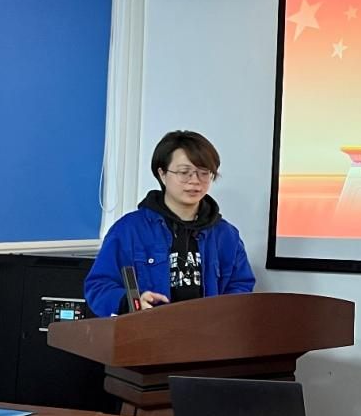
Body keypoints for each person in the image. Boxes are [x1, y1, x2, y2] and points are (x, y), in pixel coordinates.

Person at [85, 130, 255, 317]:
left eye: (204, 173)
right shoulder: (129, 230)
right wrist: (131, 302)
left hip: (209, 332)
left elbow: (241, 285)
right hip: (149, 331)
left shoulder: (226, 235)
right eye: (184, 172)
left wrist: (224, 314)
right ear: (162, 174)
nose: (195, 181)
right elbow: (98, 286)